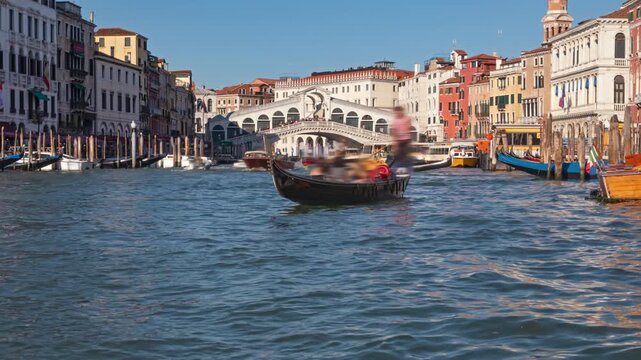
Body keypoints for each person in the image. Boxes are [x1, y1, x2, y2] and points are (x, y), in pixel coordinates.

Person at [390, 106, 413, 175]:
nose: (397, 114)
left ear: (401, 112)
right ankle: (400, 168)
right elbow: (394, 131)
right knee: (398, 154)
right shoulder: (395, 121)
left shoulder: (407, 119)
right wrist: (394, 141)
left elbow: (408, 128)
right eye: (396, 113)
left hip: (406, 139)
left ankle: (405, 168)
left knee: (404, 154)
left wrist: (404, 132)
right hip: (399, 140)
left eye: (398, 112)